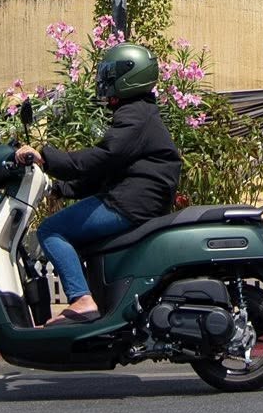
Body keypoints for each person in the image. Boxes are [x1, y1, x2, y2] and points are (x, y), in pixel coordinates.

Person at [15, 41, 182, 320]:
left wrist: (46, 157)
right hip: (134, 200)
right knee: (78, 238)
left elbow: (102, 157)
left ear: (130, 76)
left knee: (51, 230)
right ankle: (99, 309)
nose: (105, 81)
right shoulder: (140, 113)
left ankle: (82, 300)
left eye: (111, 74)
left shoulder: (135, 115)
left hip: (130, 203)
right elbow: (107, 171)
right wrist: (60, 189)